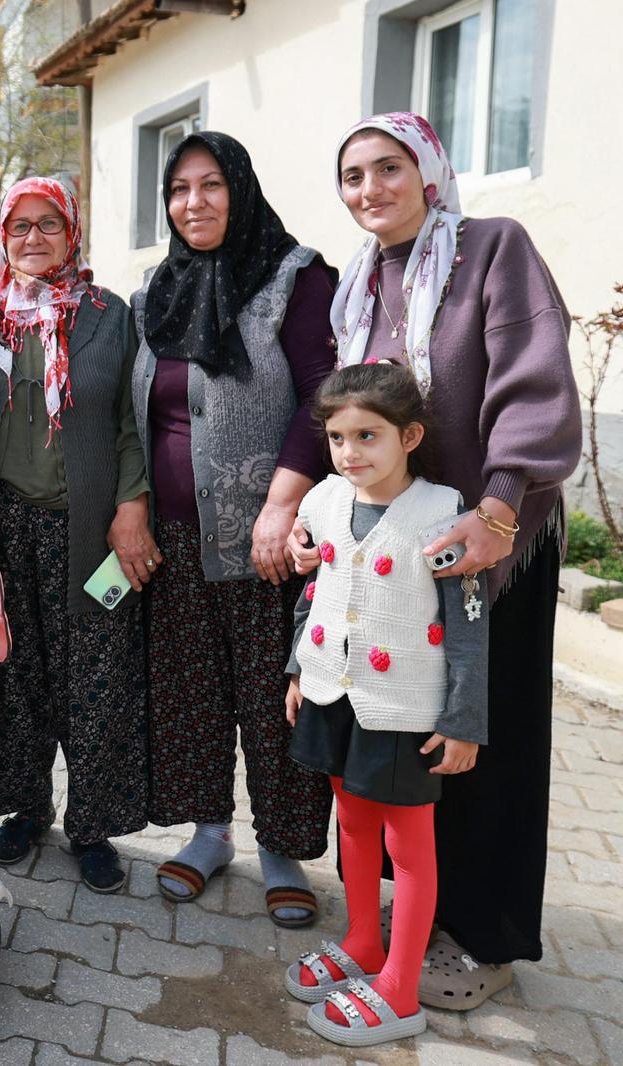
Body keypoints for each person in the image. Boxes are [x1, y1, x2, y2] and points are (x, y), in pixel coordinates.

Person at [290, 111, 580, 1009]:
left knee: (482, 742)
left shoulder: (492, 250)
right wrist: (318, 513)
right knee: (402, 742)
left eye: (388, 168)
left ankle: (486, 939)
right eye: (353, 176)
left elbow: (532, 383)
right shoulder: (360, 285)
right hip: (398, 544)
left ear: (429, 171)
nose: (370, 189)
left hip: (493, 540)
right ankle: (399, 928)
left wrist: (496, 510)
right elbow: (349, 413)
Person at [129, 131, 336, 926]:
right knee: (191, 691)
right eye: (179, 190)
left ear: (240, 188)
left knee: (272, 695)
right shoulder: (159, 290)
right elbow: (138, 412)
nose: (194, 203)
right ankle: (209, 832)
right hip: (174, 539)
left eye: (211, 185)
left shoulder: (294, 275)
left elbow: (325, 396)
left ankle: (280, 850)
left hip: (267, 540)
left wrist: (281, 507)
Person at [284, 362, 486, 1046]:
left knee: (409, 844)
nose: (350, 453)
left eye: (367, 435)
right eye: (338, 438)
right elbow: (316, 594)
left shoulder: (442, 514)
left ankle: (400, 988)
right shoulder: (322, 502)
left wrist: (463, 718)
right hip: (331, 690)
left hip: (404, 705)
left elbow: (468, 621)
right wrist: (296, 669)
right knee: (354, 824)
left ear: (410, 436)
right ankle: (364, 943)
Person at [0, 177, 156, 890]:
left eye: (49, 224)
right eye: (20, 226)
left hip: (90, 531)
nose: (34, 238)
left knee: (97, 679)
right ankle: (26, 807)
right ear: (4, 237)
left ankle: (93, 826)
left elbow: (132, 420)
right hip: (5, 526)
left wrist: (133, 503)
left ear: (73, 231)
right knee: (16, 676)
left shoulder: (110, 315)